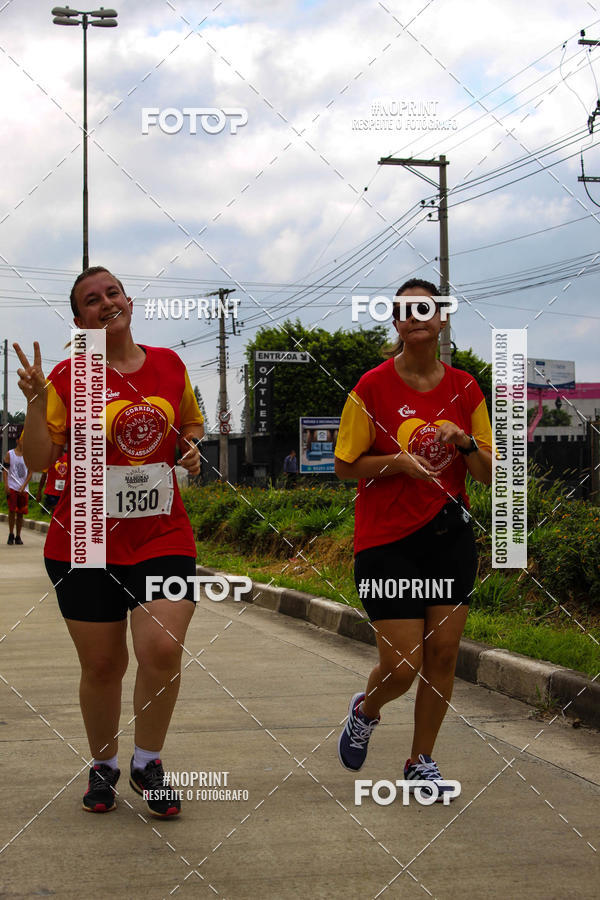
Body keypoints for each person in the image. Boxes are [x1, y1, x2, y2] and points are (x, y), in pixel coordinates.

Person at [15, 266, 204, 818]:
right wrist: (33, 401)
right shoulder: (70, 377)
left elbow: (189, 425)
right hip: (86, 538)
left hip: (162, 533)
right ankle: (104, 766)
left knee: (162, 648)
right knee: (103, 667)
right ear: (81, 321)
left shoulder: (169, 365)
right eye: (92, 301)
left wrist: (192, 448)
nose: (106, 303)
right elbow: (39, 460)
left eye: (113, 292)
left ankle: (148, 762)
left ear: (128, 300)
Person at [334, 278, 493, 801]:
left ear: (442, 317)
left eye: (427, 308)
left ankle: (421, 759)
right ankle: (366, 710)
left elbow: (489, 474)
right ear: (397, 323)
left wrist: (465, 440)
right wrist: (396, 463)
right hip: (386, 543)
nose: (417, 316)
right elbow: (343, 467)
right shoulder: (372, 387)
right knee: (403, 665)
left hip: (447, 538)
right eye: (405, 311)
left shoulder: (467, 388)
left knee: (443, 656)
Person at [3, 434, 31, 545]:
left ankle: (18, 535)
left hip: (23, 489)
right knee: (12, 511)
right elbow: (5, 470)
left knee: (21, 513)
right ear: (17, 441)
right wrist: (6, 485)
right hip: (12, 487)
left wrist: (24, 486)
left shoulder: (28, 456)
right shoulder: (10, 454)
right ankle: (11, 534)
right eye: (23, 440)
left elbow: (30, 472)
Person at [36, 449, 68, 516]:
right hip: (51, 492)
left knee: (60, 514)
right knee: (56, 511)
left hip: (64, 492)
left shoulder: (69, 458)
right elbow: (44, 476)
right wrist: (39, 492)